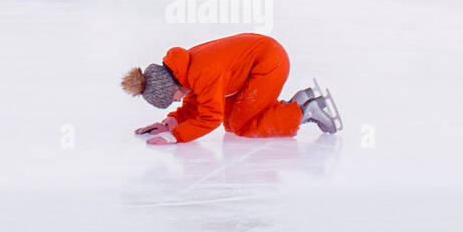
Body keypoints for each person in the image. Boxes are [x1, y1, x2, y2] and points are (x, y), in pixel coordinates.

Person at [122, 33, 341, 143]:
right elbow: (195, 105)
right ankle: (300, 102)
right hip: (262, 59)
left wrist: (175, 137)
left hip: (269, 63)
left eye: (173, 98)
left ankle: (304, 111)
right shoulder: (184, 71)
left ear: (172, 87)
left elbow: (210, 117)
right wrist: (168, 124)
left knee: (241, 125)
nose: (178, 101)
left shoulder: (202, 73)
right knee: (232, 120)